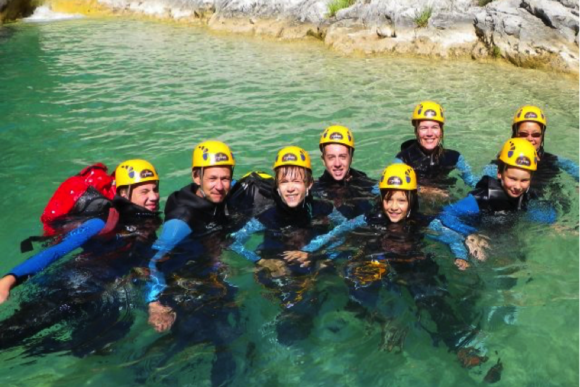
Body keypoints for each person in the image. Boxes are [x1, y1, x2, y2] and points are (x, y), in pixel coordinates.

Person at [287, 164, 484, 362]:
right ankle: (382, 321)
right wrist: (308, 251)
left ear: (412, 200)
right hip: (379, 259)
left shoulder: (423, 221)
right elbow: (338, 231)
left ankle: (460, 343)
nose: (394, 206)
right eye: (389, 199)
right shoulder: (370, 218)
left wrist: (460, 256)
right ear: (381, 198)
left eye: (401, 200)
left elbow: (451, 237)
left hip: (412, 262)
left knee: (431, 298)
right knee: (358, 284)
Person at [229, 146, 347, 344]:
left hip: (312, 260)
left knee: (332, 274)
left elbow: (345, 228)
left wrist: (319, 256)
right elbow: (233, 242)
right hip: (278, 265)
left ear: (309, 184)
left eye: (297, 181)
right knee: (284, 288)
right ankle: (294, 319)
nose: (290, 188)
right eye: (284, 182)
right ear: (276, 186)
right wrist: (261, 261)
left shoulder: (323, 208)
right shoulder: (265, 217)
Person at [0, 159, 160, 305]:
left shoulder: (142, 223)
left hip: (99, 286)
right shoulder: (102, 221)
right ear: (124, 193)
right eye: (144, 191)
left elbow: (147, 260)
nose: (154, 196)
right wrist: (9, 280)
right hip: (69, 285)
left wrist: (154, 301)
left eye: (155, 189)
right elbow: (57, 251)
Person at [439, 138, 556, 261]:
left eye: (524, 180)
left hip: (501, 233)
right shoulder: (482, 198)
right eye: (512, 178)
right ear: (499, 173)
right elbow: (445, 215)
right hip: (476, 233)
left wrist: (553, 223)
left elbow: (538, 210)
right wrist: (470, 233)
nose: (517, 186)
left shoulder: (527, 195)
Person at [482, 105, 580, 196]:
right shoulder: (499, 163)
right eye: (523, 134)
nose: (530, 139)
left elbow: (575, 169)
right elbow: (480, 183)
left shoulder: (552, 160)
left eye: (536, 134)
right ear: (515, 134)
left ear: (542, 136)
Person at [395, 101, 477, 192]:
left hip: (444, 195)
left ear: (441, 132)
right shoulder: (403, 159)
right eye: (424, 128)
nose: (429, 133)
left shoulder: (455, 157)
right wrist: (427, 191)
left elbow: (471, 181)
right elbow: (394, 185)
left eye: (434, 127)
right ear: (416, 131)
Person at [312, 125, 376, 219]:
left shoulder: (366, 184)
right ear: (323, 160)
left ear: (351, 157)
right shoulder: (314, 189)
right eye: (331, 157)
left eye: (342, 156)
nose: (337, 163)